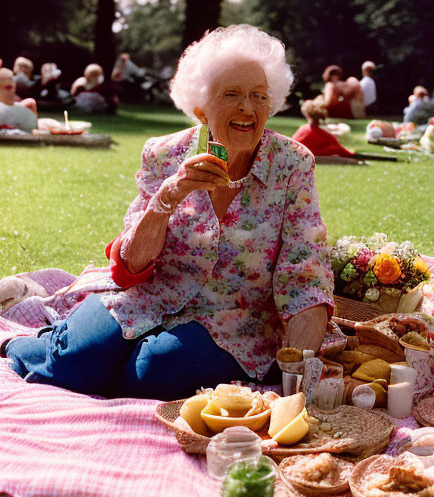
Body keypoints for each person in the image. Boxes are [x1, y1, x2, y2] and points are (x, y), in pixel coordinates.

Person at [2, 24, 334, 400]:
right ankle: (29, 345)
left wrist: (297, 376)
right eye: (231, 95)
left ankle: (99, 360)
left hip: (235, 318)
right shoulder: (163, 154)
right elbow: (130, 264)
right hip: (146, 294)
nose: (247, 108)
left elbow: (306, 274)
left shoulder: (292, 164)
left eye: (259, 96)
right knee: (76, 362)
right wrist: (168, 196)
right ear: (200, 108)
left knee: (152, 373)